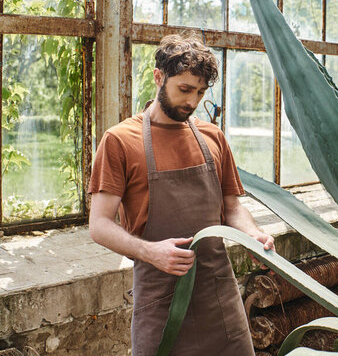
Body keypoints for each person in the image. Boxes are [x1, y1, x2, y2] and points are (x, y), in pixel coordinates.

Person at [88, 32, 274, 355]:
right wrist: (151, 252)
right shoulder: (120, 141)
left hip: (220, 301)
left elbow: (231, 208)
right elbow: (99, 225)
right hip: (161, 305)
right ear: (159, 77)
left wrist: (254, 235)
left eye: (200, 92)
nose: (192, 101)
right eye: (184, 89)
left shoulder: (212, 137)